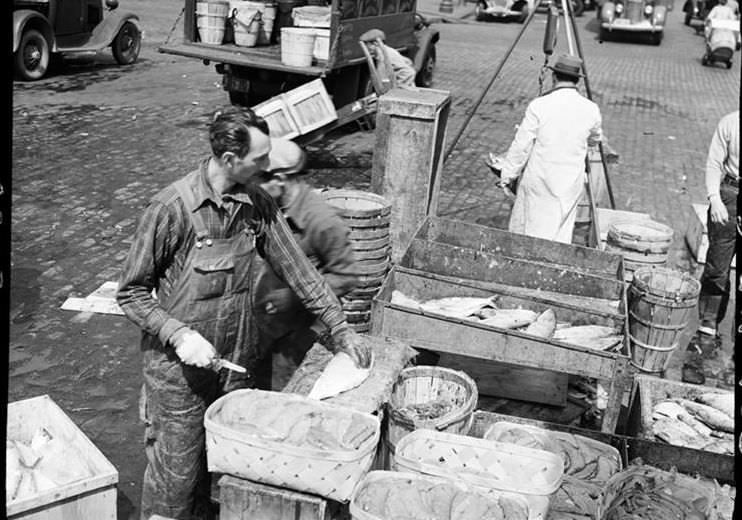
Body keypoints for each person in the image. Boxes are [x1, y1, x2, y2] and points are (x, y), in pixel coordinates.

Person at [116, 106, 371, 520]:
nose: (268, 167)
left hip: (234, 368)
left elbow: (301, 271)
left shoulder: (257, 205)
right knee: (175, 485)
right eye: (260, 159)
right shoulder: (172, 208)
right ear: (230, 160)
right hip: (177, 379)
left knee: (220, 478)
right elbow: (131, 293)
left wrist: (341, 329)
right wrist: (178, 334)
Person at [251, 138, 360, 389]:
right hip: (270, 325)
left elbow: (348, 276)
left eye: (259, 180)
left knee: (283, 390)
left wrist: (293, 297)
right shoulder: (273, 211)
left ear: (279, 179)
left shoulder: (322, 221)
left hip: (302, 331)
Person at [489, 54, 602, 244]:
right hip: (568, 183)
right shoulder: (591, 109)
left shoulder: (540, 105)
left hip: (539, 180)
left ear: (554, 77)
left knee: (527, 231)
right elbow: (595, 138)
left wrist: (507, 176)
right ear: (577, 82)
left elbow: (521, 146)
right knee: (560, 233)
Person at [681, 110, 738, 386]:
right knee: (717, 270)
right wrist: (714, 199)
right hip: (729, 197)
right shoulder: (731, 122)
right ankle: (704, 337)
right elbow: (715, 162)